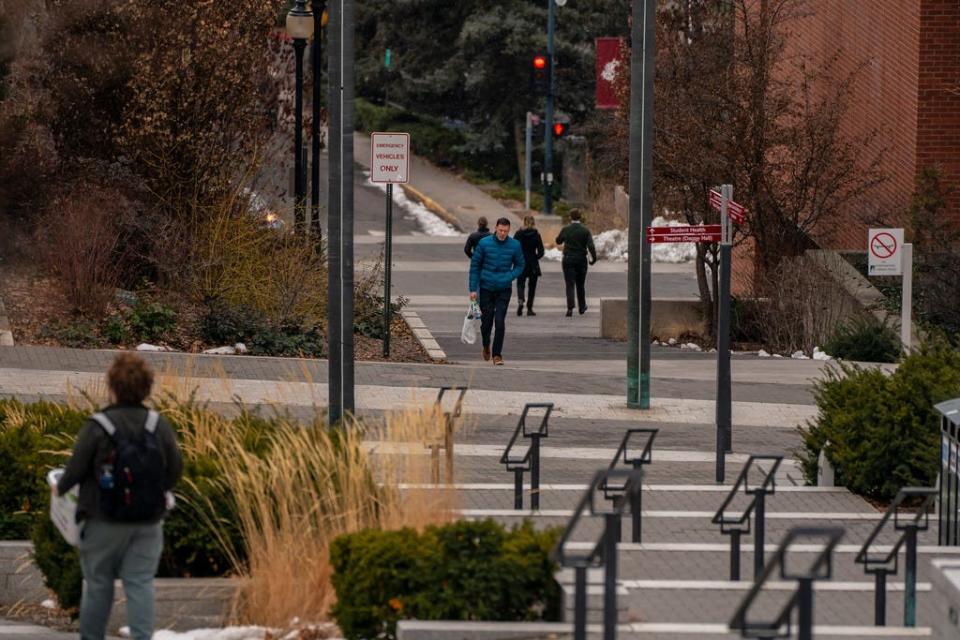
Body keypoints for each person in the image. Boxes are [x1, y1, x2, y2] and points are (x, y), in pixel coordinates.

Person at [56, 353, 183, 640]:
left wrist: (59, 489)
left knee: (98, 583)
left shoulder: (98, 425)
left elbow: (75, 470)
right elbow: (175, 469)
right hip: (148, 521)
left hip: (103, 518)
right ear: (147, 388)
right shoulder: (157, 424)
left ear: (111, 387)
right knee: (140, 583)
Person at [469, 217, 525, 365]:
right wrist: (473, 289)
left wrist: (510, 276)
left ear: (509, 230)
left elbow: (520, 265)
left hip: (503, 289)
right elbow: (475, 267)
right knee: (486, 322)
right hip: (486, 287)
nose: (502, 233)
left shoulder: (514, 245)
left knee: (500, 322)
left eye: (505, 231)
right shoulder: (484, 243)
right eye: (500, 230)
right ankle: (486, 344)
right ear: (495, 228)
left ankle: (497, 355)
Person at [555, 209, 597, 317]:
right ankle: (582, 306)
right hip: (581, 259)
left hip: (568, 259)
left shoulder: (566, 229)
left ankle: (570, 308)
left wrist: (563, 238)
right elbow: (591, 246)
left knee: (569, 284)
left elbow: (558, 241)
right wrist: (594, 258)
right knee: (580, 284)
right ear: (580, 217)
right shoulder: (585, 231)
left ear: (570, 217)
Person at [514, 215, 545, 316]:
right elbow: (541, 251)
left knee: (520, 283)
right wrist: (536, 257)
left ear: (524, 222)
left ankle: (521, 299)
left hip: (521, 262)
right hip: (532, 263)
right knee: (532, 287)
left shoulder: (519, 234)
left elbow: (513, 247)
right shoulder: (536, 234)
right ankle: (529, 308)